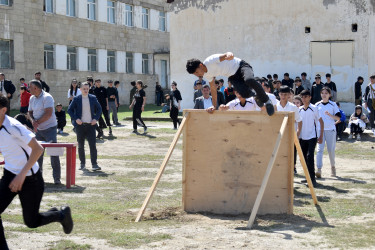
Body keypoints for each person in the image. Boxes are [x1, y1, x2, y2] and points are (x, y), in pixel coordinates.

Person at [0, 94, 73, 250]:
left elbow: (38, 149)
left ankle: (60, 215)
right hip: (9, 175)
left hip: (30, 179)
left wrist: (21, 176)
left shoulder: (13, 126)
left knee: (31, 222)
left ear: (3, 110)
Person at [186, 52, 274, 116]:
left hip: (241, 66)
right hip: (233, 76)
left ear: (201, 65)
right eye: (195, 74)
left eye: (197, 72)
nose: (198, 75)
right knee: (244, 94)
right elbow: (213, 88)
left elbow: (225, 55)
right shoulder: (207, 75)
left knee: (249, 80)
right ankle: (256, 96)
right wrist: (214, 105)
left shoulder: (210, 61)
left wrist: (229, 55)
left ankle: (267, 100)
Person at [28, 80, 62, 185]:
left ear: (36, 88)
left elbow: (48, 114)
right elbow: (29, 112)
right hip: (38, 130)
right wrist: (33, 121)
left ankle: (57, 179)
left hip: (50, 129)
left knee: (54, 154)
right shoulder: (32, 98)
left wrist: (36, 122)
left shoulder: (47, 97)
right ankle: (38, 178)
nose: (28, 89)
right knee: (38, 154)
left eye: (30, 87)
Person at [68, 82, 102, 171]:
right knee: (80, 146)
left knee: (92, 145)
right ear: (80, 89)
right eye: (84, 89)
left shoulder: (93, 98)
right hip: (80, 126)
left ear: (89, 89)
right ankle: (82, 164)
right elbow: (69, 110)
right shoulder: (76, 99)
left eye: (87, 89)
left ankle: (94, 164)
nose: (86, 90)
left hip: (91, 125)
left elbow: (99, 109)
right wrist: (76, 119)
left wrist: (96, 118)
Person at [299, 90, 324, 187]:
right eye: (302, 97)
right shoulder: (299, 109)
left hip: (312, 137)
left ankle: (313, 179)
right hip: (302, 137)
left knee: (310, 157)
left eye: (306, 97)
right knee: (303, 158)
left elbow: (321, 122)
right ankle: (307, 176)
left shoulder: (314, 108)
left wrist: (320, 135)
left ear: (310, 97)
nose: (304, 99)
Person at [315, 87, 341, 178]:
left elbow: (338, 118)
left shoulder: (333, 104)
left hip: (330, 129)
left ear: (329, 95)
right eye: (322, 93)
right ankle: (318, 169)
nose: (324, 95)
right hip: (320, 130)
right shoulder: (317, 105)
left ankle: (333, 167)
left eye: (326, 93)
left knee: (330, 150)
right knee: (319, 150)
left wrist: (330, 115)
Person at [276, 86, 302, 174]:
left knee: (291, 153)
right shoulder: (275, 107)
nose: (283, 96)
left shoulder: (293, 107)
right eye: (281, 94)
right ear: (279, 94)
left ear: (289, 95)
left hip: (291, 134)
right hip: (279, 134)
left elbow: (299, 121)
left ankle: (292, 167)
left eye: (285, 94)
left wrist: (298, 133)